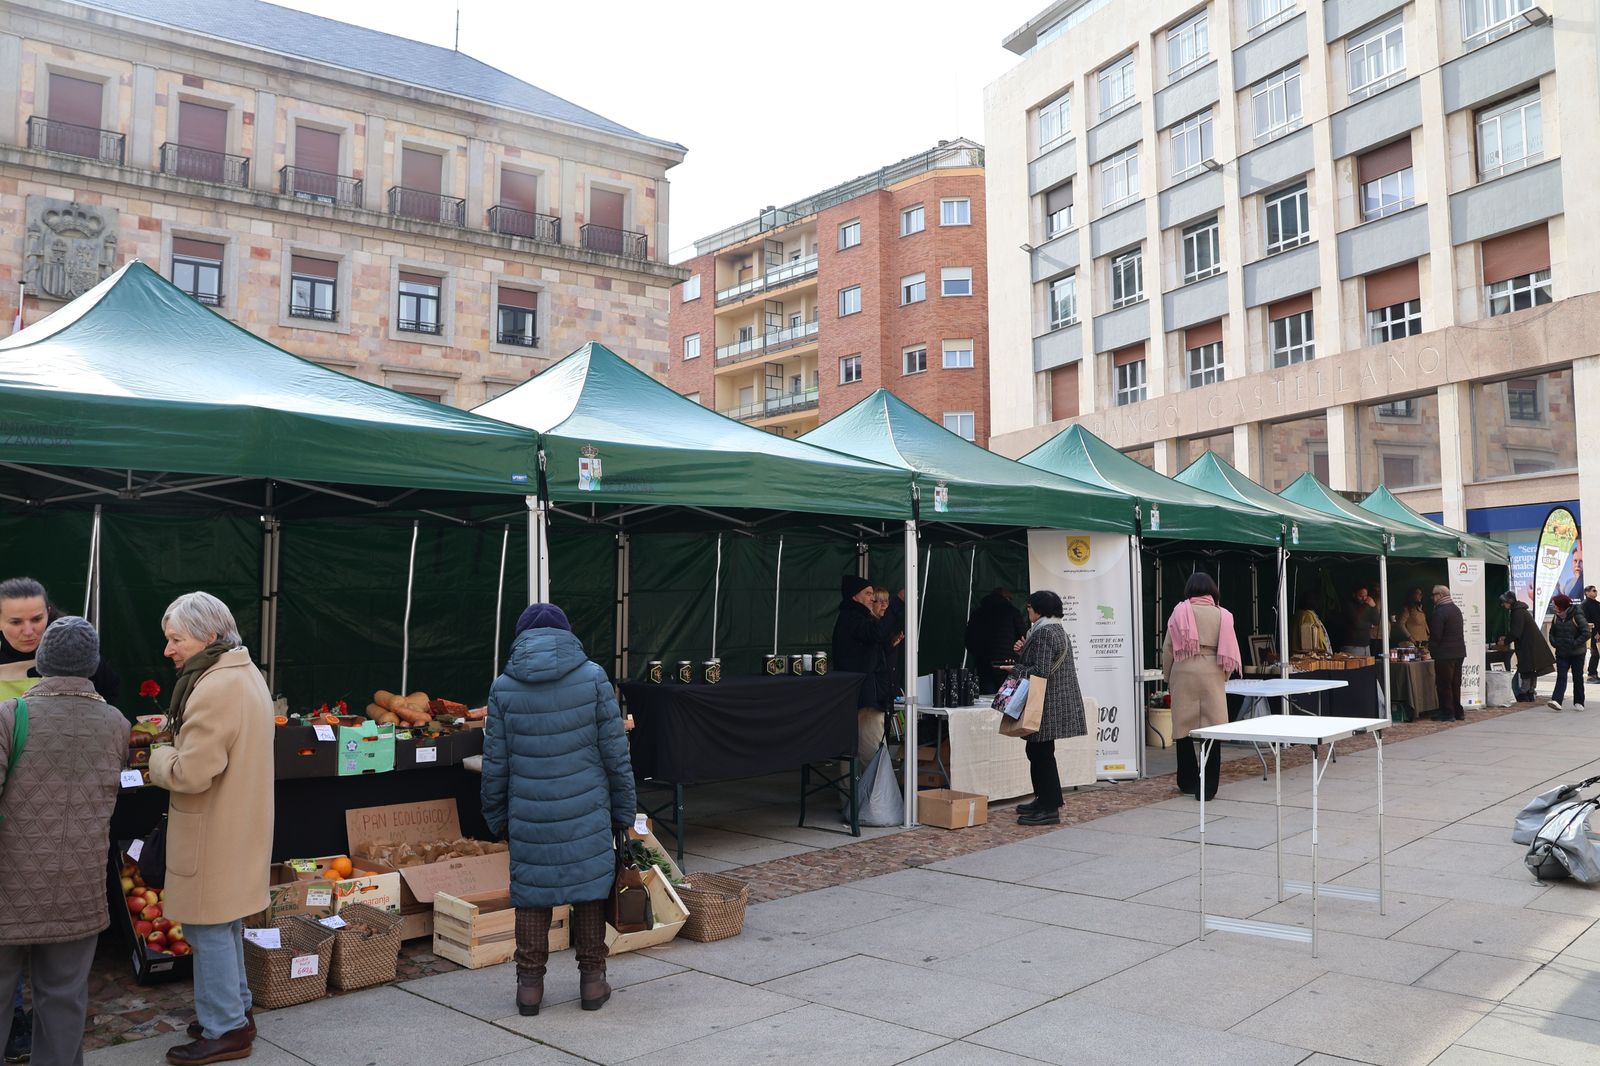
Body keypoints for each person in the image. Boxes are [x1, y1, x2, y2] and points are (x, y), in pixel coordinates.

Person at [480, 603, 634, 1017]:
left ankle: (529, 988)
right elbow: (615, 755)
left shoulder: (503, 687)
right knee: (588, 893)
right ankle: (592, 981)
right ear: (567, 635)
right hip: (587, 810)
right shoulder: (594, 678)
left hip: (529, 814)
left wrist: (496, 818)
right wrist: (624, 810)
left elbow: (496, 762)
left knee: (532, 898)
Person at [149, 592, 273, 1066]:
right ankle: (235, 1013)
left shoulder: (216, 686)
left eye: (175, 639)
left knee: (209, 929)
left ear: (210, 636)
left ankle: (226, 1029)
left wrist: (160, 757)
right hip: (235, 825)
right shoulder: (243, 673)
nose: (169, 649)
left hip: (215, 829)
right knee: (222, 924)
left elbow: (192, 773)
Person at [0, 619, 128, 1066]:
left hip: (8, 887)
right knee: (64, 999)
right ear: (92, 666)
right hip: (79, 886)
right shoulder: (117, 723)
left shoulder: (10, 715)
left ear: (40, 662)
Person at [1008, 590, 1087, 826]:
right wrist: (1023, 653)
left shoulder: (1044, 633)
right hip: (1052, 701)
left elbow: (1040, 670)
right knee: (1039, 752)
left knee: (1041, 754)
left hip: (1046, 702)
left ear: (1039, 610)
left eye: (1030, 607)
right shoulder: (1055, 629)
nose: (1028, 610)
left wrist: (1014, 670)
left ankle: (1050, 806)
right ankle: (1044, 799)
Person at [1162, 573, 1241, 802]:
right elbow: (1231, 649)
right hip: (1212, 670)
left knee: (1183, 730)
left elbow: (1168, 648)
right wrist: (1222, 676)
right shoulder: (1223, 615)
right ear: (1212, 591)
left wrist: (1169, 676)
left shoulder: (1179, 612)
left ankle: (1187, 782)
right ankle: (1207, 788)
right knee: (1212, 730)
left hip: (1183, 669)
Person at [0, 576, 119, 704]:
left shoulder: (74, 645)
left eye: (37, 619)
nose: (28, 631)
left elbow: (110, 694)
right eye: (16, 622)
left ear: (48, 613)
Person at [832, 576, 888, 765]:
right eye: (868, 593)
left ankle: (851, 790)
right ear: (854, 597)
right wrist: (877, 615)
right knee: (871, 746)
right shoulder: (854, 618)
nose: (872, 598)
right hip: (863, 695)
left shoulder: (852, 617)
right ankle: (869, 791)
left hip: (860, 692)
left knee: (855, 745)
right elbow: (878, 634)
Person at [965, 588, 1028, 693]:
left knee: (986, 700)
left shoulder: (977, 613)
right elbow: (1023, 637)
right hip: (1007, 663)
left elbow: (969, 639)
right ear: (1005, 598)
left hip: (983, 662)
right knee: (1006, 699)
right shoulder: (1012, 611)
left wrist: (979, 654)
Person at [1499, 591, 1554, 701]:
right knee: (1532, 669)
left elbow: (1516, 632)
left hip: (1527, 645)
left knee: (1527, 668)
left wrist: (1504, 641)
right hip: (1531, 644)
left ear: (1509, 602)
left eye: (1504, 602)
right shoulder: (1521, 611)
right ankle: (1530, 691)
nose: (1503, 605)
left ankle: (1525, 692)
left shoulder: (1517, 612)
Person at [1546, 594, 1591, 711]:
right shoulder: (1556, 617)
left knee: (1577, 677)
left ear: (1561, 605)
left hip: (1577, 653)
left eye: (1555, 604)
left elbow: (1586, 632)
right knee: (1561, 677)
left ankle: (1579, 702)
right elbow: (1552, 633)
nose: (1553, 606)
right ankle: (1556, 700)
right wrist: (1554, 643)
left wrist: (1574, 644)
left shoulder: (1577, 615)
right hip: (1562, 652)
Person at [1429, 585, 1466, 722]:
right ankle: (1458, 711)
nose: (1432, 598)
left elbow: (1436, 635)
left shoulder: (1440, 611)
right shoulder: (1455, 609)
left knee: (1444, 684)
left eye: (1433, 595)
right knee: (1456, 683)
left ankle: (1447, 712)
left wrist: (1431, 649)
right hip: (1459, 652)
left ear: (1440, 595)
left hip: (1445, 653)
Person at [1340, 586, 1380, 656]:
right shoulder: (1349, 605)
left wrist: (1374, 607)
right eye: (1361, 596)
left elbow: (1376, 621)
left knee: (1368, 667)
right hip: (1352, 646)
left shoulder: (1367, 605)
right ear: (1354, 594)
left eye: (1366, 596)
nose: (1364, 599)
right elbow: (1357, 623)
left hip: (1366, 645)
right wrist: (1370, 625)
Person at [1582, 586, 1600, 683]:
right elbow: (1587, 621)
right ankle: (1591, 675)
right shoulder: (1585, 604)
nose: (1596, 592)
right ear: (1587, 593)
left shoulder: (1596, 603)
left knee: (1597, 654)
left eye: (1596, 590)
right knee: (1595, 653)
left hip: (1598, 632)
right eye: (1593, 590)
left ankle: (1594, 674)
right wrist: (1595, 633)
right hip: (1592, 633)